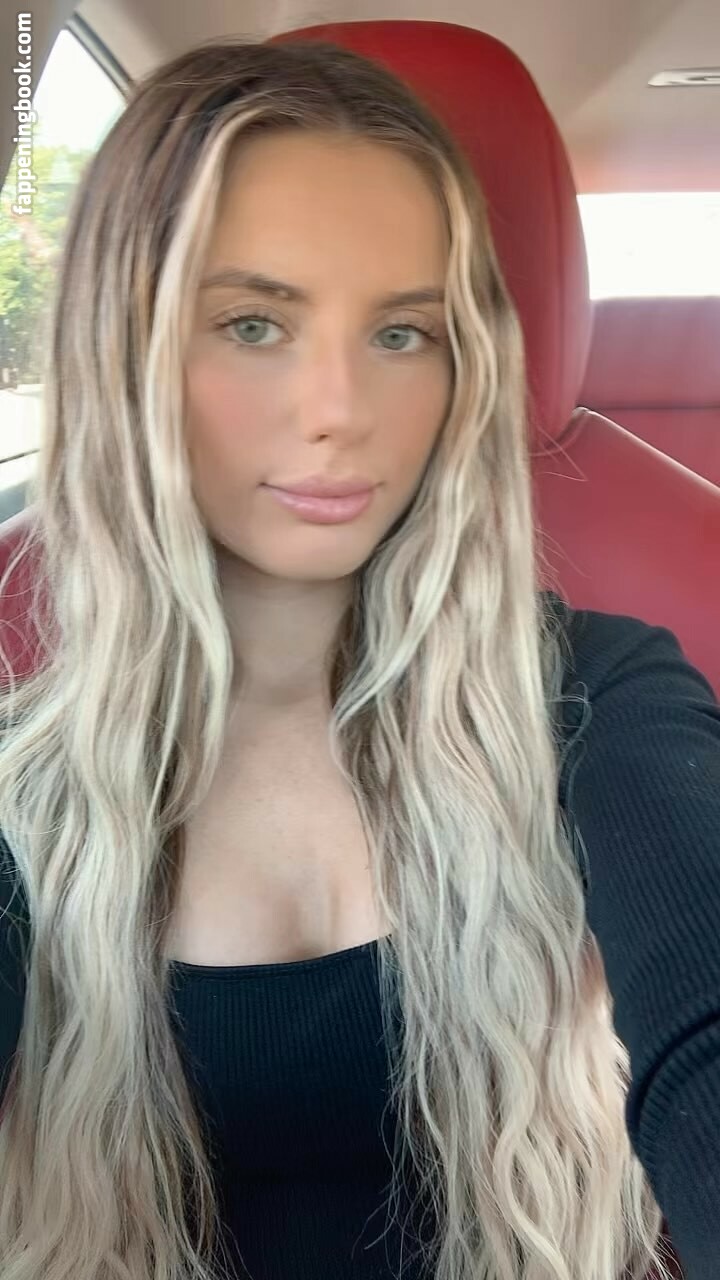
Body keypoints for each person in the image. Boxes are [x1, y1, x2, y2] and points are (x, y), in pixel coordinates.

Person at [0, 36, 717, 1280]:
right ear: (125, 353)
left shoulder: (599, 695)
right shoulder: (25, 786)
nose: (340, 408)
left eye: (403, 333)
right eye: (253, 322)